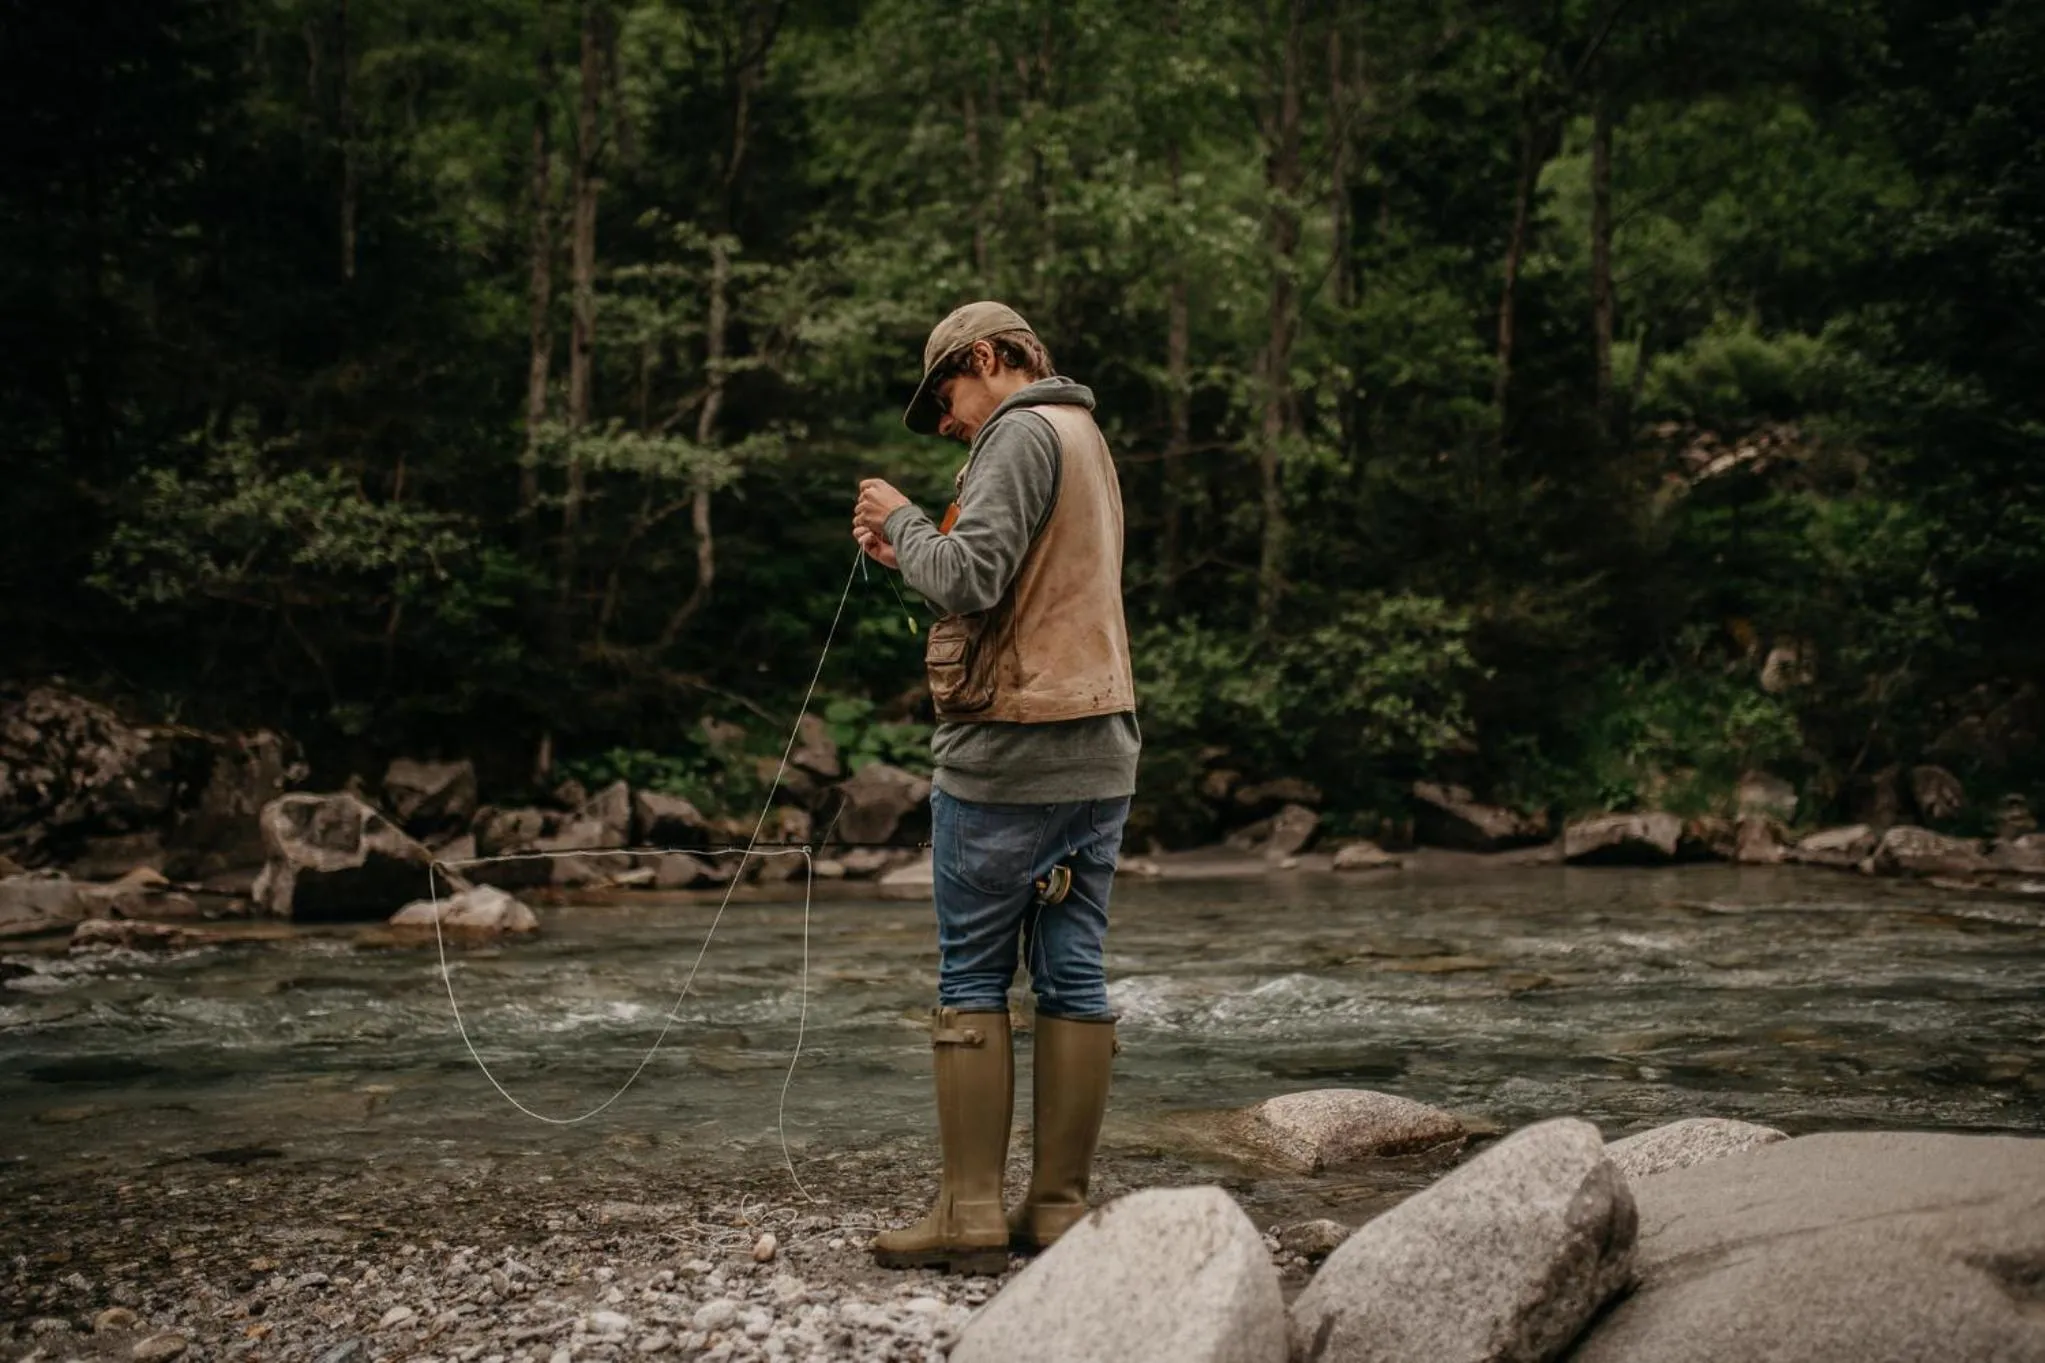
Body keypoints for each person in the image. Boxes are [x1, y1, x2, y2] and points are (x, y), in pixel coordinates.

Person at [850, 301, 1141, 1274]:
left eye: (944, 395)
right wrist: (914, 556)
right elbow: (1003, 579)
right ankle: (1056, 1208)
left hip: (1008, 755)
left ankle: (969, 1211)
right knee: (1073, 973)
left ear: (986, 357)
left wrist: (894, 513)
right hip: (1098, 748)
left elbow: (970, 581)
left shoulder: (1017, 433)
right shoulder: (1083, 434)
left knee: (972, 976)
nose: (944, 421)